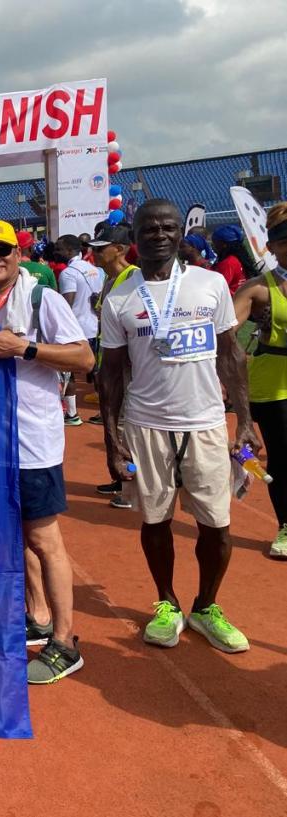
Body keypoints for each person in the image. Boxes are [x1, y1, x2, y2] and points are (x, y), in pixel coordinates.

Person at [100, 199, 257, 654]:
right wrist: (113, 438)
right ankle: (167, 603)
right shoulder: (120, 298)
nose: (160, 235)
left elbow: (231, 354)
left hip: (205, 421)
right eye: (150, 228)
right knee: (155, 520)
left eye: (169, 227)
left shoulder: (210, 285)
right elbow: (110, 374)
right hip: (147, 425)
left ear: (180, 234)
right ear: (135, 237)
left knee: (216, 523)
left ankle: (206, 607)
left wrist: (244, 421)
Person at [0, 218, 94, 683]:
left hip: (31, 443)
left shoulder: (40, 298)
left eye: (2, 250)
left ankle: (65, 642)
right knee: (19, 538)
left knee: (46, 542)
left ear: (17, 252)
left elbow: (84, 358)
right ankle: (40, 619)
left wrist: (26, 348)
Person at [232, 201, 287, 557]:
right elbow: (224, 335)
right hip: (272, 387)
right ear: (272, 245)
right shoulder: (258, 289)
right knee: (283, 459)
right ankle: (285, 527)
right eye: (284, 241)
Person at [87, 223, 139, 506]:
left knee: (124, 425)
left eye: (99, 248)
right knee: (116, 423)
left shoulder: (134, 279)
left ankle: (131, 487)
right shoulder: (109, 279)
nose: (93, 253)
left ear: (119, 249)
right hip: (110, 361)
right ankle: (122, 478)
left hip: (129, 367)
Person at [55, 234, 104, 425]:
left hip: (75, 329)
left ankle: (72, 415)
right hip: (94, 327)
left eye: (59, 248)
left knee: (69, 371)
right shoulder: (95, 269)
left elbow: (67, 303)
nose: (56, 252)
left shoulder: (68, 273)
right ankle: (103, 412)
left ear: (69, 250)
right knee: (96, 372)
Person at [211, 225, 254, 294]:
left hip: (233, 302)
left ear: (224, 244)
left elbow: (218, 288)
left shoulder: (229, 262)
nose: (212, 245)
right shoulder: (238, 257)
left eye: (214, 242)